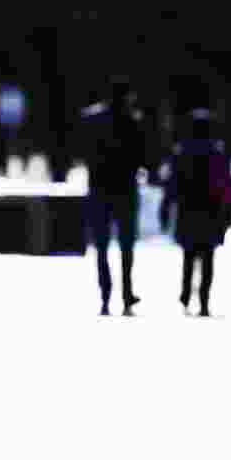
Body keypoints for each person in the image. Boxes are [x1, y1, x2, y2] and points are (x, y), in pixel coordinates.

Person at [80, 78, 153, 316]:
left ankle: (105, 294)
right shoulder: (133, 120)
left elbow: (83, 152)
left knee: (101, 246)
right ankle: (127, 294)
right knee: (126, 246)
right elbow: (144, 158)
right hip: (125, 190)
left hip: (99, 189)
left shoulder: (91, 119)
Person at [159, 109, 231, 317]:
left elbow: (172, 183)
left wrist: (166, 207)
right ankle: (204, 298)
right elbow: (226, 185)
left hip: (188, 209)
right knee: (208, 256)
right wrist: (228, 211)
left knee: (189, 254)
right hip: (211, 210)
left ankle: (185, 293)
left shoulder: (181, 152)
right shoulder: (218, 153)